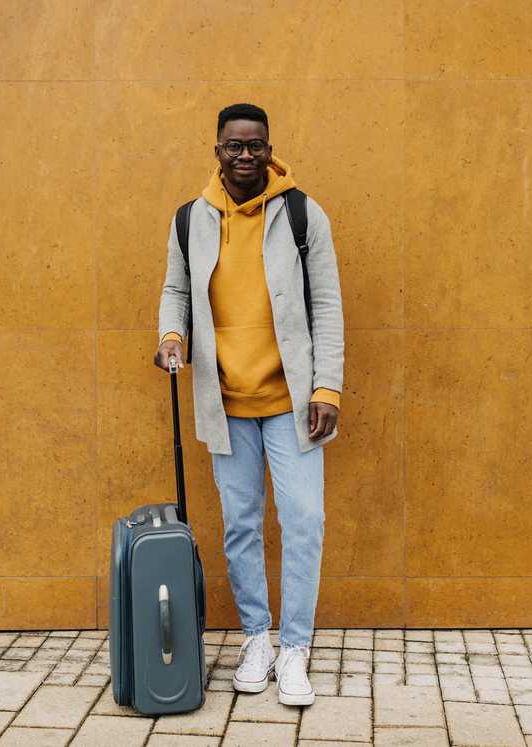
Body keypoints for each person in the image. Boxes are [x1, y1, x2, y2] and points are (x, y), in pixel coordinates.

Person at [153, 103, 344, 706]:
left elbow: (328, 305)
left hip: (293, 402)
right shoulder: (190, 219)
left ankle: (295, 648)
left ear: (269, 150)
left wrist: (327, 388)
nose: (244, 155)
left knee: (304, 521)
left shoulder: (303, 214)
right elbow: (177, 289)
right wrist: (172, 336)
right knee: (241, 525)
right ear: (217, 149)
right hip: (225, 401)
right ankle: (257, 638)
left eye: (255, 145)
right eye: (234, 145)